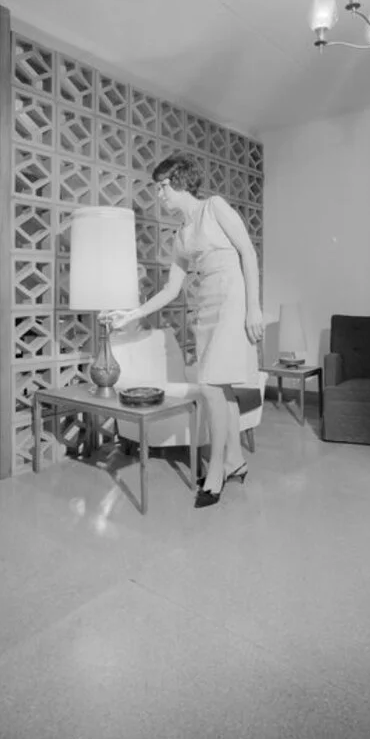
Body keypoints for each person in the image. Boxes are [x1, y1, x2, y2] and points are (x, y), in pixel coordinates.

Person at [105, 153, 264, 508]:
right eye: (157, 187)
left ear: (179, 182)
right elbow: (170, 290)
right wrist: (131, 314)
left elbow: (248, 253)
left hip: (233, 301)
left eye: (162, 186)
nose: (159, 194)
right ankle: (235, 461)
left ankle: (217, 473)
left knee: (209, 384)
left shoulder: (215, 207)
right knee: (222, 387)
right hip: (205, 307)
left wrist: (254, 307)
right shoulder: (181, 234)